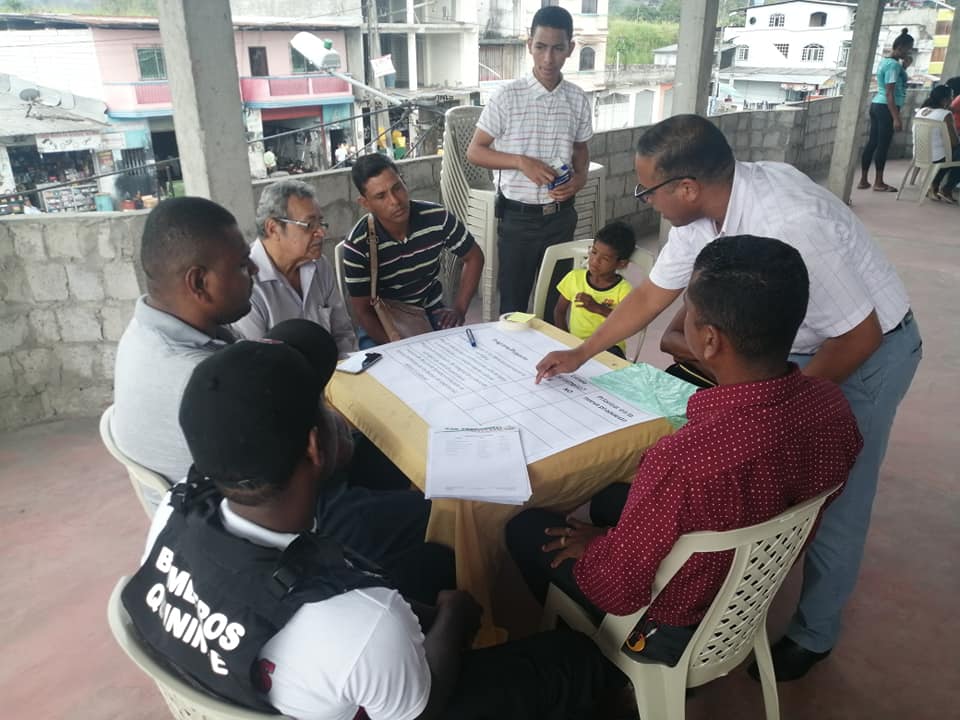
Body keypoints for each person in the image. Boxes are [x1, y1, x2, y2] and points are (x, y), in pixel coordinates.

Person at [535, 114, 922, 681]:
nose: (646, 201)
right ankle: (738, 586)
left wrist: (772, 418)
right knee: (763, 466)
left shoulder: (790, 222)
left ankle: (814, 634)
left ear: (687, 187)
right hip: (797, 342)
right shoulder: (703, 214)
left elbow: (859, 336)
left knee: (833, 493)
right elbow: (652, 297)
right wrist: (582, 351)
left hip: (872, 347)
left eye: (648, 190)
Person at [122, 337, 617, 719]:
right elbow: (423, 705)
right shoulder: (360, 622)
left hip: (260, 686)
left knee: (434, 561)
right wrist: (456, 616)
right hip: (389, 696)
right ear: (315, 446)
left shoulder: (174, 510)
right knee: (572, 658)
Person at [508, 235, 863, 667]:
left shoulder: (685, 459)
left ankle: (593, 657)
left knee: (525, 528)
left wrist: (601, 547)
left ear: (709, 341)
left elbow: (617, 590)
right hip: (746, 591)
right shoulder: (832, 407)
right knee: (608, 499)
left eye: (688, 312)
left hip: (668, 624)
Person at [112, 197, 258, 486]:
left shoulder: (141, 331)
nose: (254, 269)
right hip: (233, 505)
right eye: (242, 264)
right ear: (199, 282)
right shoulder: (206, 382)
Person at [466, 5, 593, 314]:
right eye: (541, 47)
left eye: (557, 48)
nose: (548, 58)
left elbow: (580, 150)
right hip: (518, 220)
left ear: (570, 49)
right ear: (529, 45)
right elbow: (475, 151)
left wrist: (579, 179)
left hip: (561, 217)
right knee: (513, 308)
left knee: (555, 305)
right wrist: (521, 162)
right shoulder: (507, 96)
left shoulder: (577, 98)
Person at [342, 153, 484, 345]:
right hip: (383, 321)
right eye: (381, 196)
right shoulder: (358, 245)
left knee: (464, 355)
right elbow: (363, 312)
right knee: (383, 364)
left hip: (431, 311)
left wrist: (459, 309)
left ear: (404, 181)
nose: (395, 201)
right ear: (365, 203)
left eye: (397, 188)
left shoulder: (437, 218)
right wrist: (398, 346)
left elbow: (474, 257)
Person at [231, 179, 358, 357]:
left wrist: (346, 369)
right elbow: (258, 361)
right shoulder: (246, 284)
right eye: (309, 225)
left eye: (321, 223)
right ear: (273, 228)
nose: (321, 232)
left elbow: (343, 334)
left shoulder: (319, 265)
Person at [553, 221, 635, 359]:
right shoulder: (574, 278)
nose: (595, 261)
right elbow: (559, 311)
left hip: (609, 346)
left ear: (621, 263)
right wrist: (566, 341)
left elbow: (626, 323)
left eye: (605, 259)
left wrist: (598, 308)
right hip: (576, 344)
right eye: (594, 252)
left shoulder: (624, 290)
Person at [859, 28, 914, 192]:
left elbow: (892, 85)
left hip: (877, 104)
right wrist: (896, 117)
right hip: (886, 107)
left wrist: (904, 67)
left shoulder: (887, 62)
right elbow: (890, 92)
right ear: (901, 47)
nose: (909, 52)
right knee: (883, 145)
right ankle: (879, 182)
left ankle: (863, 180)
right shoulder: (893, 66)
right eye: (908, 49)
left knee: (873, 142)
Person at [914, 85, 960, 204]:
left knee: (952, 154)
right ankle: (946, 189)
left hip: (919, 153)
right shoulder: (945, 114)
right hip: (937, 157)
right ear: (944, 100)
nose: (952, 100)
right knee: (956, 154)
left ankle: (934, 185)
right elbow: (954, 142)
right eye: (951, 97)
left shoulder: (922, 111)